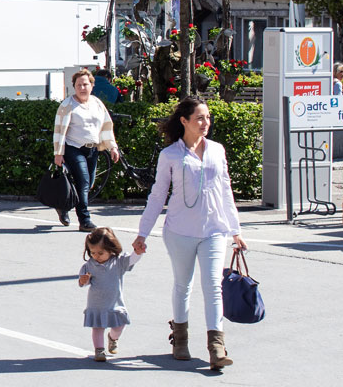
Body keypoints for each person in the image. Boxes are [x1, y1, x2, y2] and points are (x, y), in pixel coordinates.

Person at [132, 96, 245, 372]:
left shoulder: (217, 150)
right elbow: (158, 195)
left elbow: (226, 191)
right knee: (183, 285)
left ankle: (216, 346)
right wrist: (142, 233)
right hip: (180, 231)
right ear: (184, 121)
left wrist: (235, 230)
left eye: (207, 117)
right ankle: (180, 339)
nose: (205, 122)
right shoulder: (170, 155)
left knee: (213, 287)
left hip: (214, 231)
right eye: (199, 118)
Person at [54, 69, 122, 231]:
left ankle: (64, 207)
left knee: (88, 183)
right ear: (74, 87)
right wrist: (58, 153)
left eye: (85, 84)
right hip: (73, 148)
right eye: (79, 85)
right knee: (84, 181)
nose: (82, 88)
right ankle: (85, 220)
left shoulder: (97, 103)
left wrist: (113, 146)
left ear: (91, 85)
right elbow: (59, 130)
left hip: (92, 149)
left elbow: (106, 126)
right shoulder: (67, 105)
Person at [79, 227, 140, 362]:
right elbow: (83, 281)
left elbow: (132, 260)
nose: (96, 256)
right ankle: (99, 350)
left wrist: (138, 252)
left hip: (115, 303)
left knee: (119, 325)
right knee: (98, 327)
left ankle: (113, 338)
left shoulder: (118, 262)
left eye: (100, 252)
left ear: (111, 248)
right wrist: (84, 280)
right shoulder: (90, 265)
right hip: (96, 304)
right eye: (93, 252)